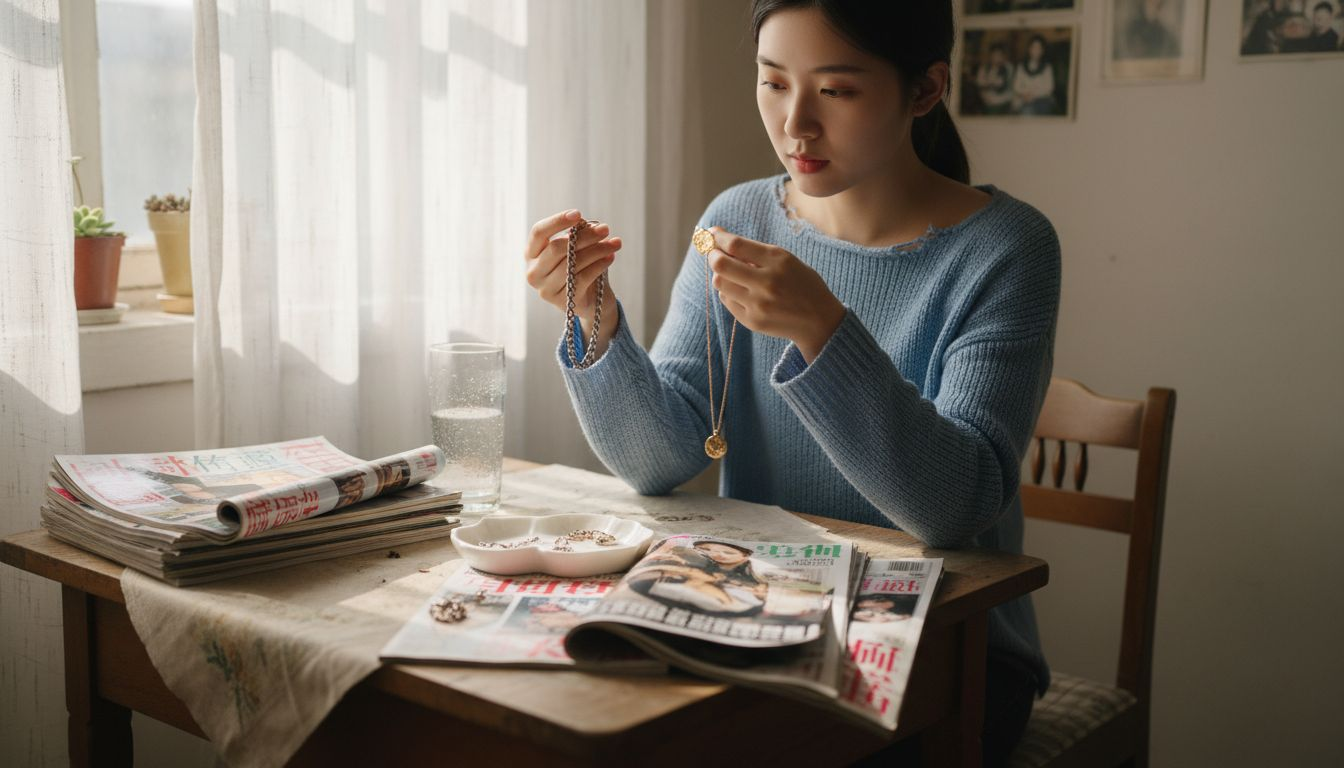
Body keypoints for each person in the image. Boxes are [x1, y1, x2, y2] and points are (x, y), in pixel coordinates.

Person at [522, 2, 1058, 764]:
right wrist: (589, 310)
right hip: (758, 614)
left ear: (926, 89)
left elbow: (957, 506)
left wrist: (823, 331)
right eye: (773, 83)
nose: (795, 125)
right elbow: (661, 458)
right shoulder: (738, 217)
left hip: (953, 650)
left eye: (836, 91)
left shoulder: (1007, 249)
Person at [1012, 35, 1057, 115]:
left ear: (1042, 51)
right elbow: (1016, 85)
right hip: (1024, 98)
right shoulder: (1021, 66)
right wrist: (1024, 94)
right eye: (1033, 47)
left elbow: (1049, 88)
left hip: (1042, 99)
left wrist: (1033, 95)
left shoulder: (1047, 67)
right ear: (1029, 49)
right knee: (1025, 111)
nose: (1035, 51)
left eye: (1038, 48)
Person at [974, 43, 1015, 115]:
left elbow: (1010, 91)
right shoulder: (984, 68)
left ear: (1003, 56)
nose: (996, 58)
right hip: (987, 100)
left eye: (999, 55)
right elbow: (979, 85)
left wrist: (996, 100)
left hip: (1003, 100)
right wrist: (985, 96)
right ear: (990, 56)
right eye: (994, 55)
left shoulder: (1008, 68)